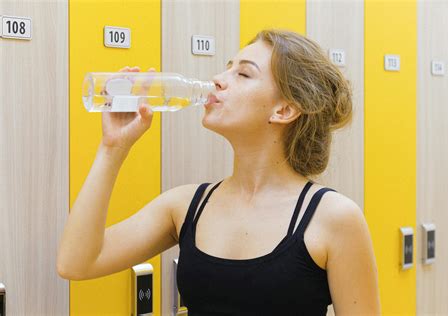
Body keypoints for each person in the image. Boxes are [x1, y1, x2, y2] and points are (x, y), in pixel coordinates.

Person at [57, 29, 381, 315]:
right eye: (227, 67)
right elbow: (76, 262)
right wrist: (113, 148)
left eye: (243, 74)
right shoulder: (186, 206)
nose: (218, 80)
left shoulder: (334, 218)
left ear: (284, 110)